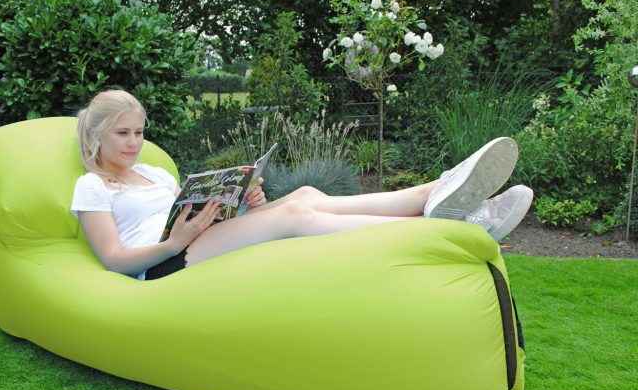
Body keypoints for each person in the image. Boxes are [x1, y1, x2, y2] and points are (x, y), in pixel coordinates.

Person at [71, 89, 534, 280]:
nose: (135, 142)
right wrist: (174, 242)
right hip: (166, 264)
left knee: (306, 195)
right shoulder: (92, 187)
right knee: (295, 215)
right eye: (123, 133)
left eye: (139, 132)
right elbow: (113, 260)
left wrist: (243, 202)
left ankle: (432, 191)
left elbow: (193, 212)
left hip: (196, 240)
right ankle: (450, 225)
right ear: (97, 137)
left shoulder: (155, 173)